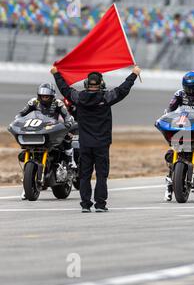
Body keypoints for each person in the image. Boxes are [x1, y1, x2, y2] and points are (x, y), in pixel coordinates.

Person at [51, 65, 141, 212]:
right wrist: (134, 74)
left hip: (85, 144)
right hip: (102, 144)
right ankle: (100, 205)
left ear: (86, 84)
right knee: (101, 176)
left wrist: (56, 74)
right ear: (101, 84)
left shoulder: (79, 98)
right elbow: (123, 89)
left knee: (85, 176)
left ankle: (86, 205)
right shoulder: (106, 98)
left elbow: (65, 89)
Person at [17, 83, 75, 200]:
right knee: (28, 151)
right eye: (42, 96)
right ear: (39, 96)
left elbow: (67, 115)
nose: (44, 98)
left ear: (52, 96)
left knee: (67, 137)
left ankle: (71, 161)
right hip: (38, 129)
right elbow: (21, 114)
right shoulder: (33, 102)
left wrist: (68, 122)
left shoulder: (58, 103)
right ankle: (27, 187)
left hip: (52, 129)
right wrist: (18, 120)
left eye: (47, 96)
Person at [164, 71, 194, 201]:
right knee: (171, 152)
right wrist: (167, 117)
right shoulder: (179, 94)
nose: (189, 90)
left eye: (192, 87)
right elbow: (170, 109)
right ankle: (170, 185)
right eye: (187, 87)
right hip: (184, 126)